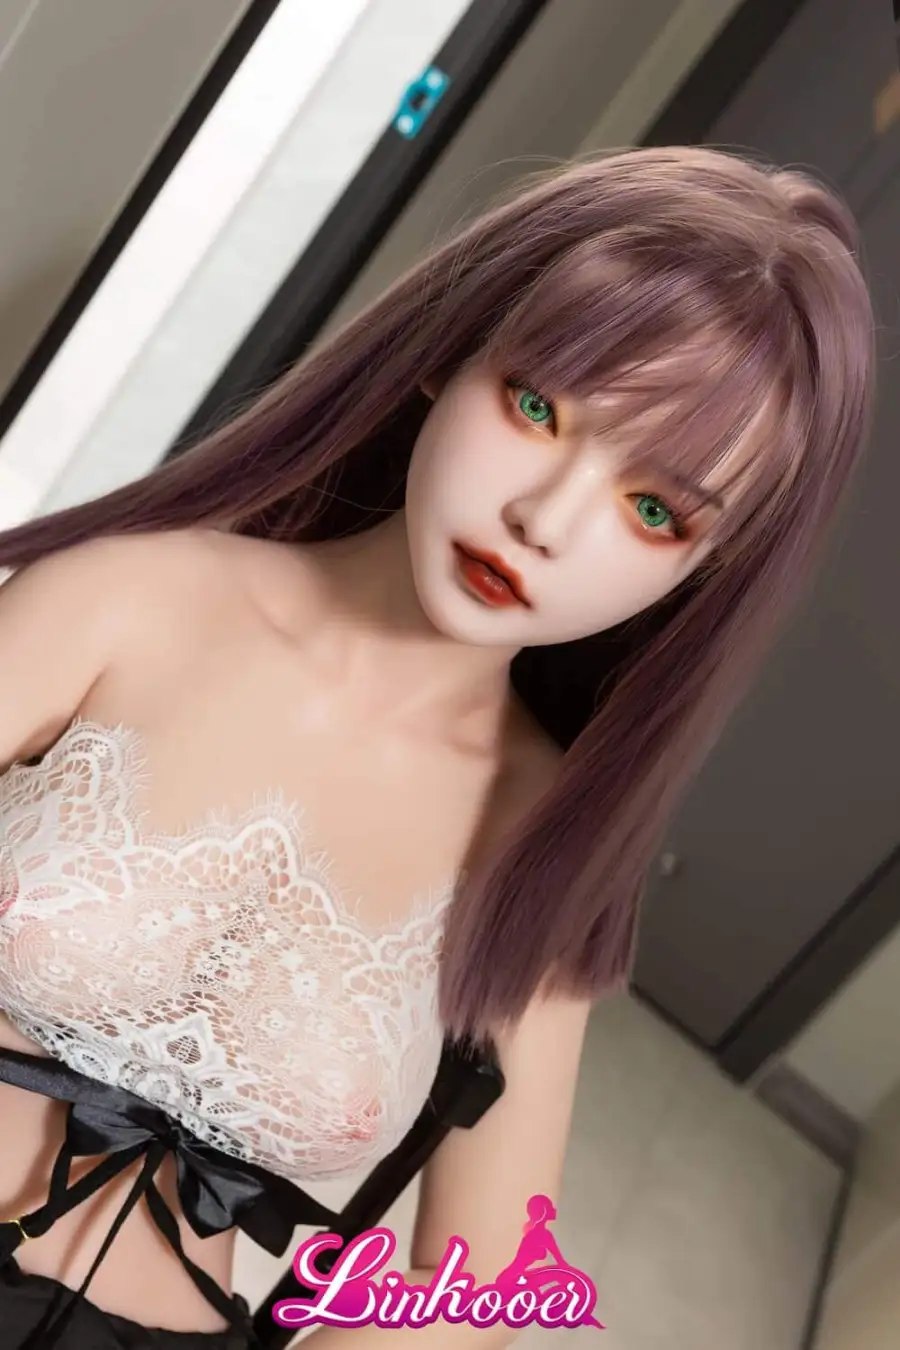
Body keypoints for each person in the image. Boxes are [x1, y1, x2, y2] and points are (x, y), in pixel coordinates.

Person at [0, 144, 875, 1348]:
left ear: (701, 575)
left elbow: (487, 1283)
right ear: (449, 354)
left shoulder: (545, 842)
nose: (544, 521)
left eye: (654, 508)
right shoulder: (128, 600)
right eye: (537, 407)